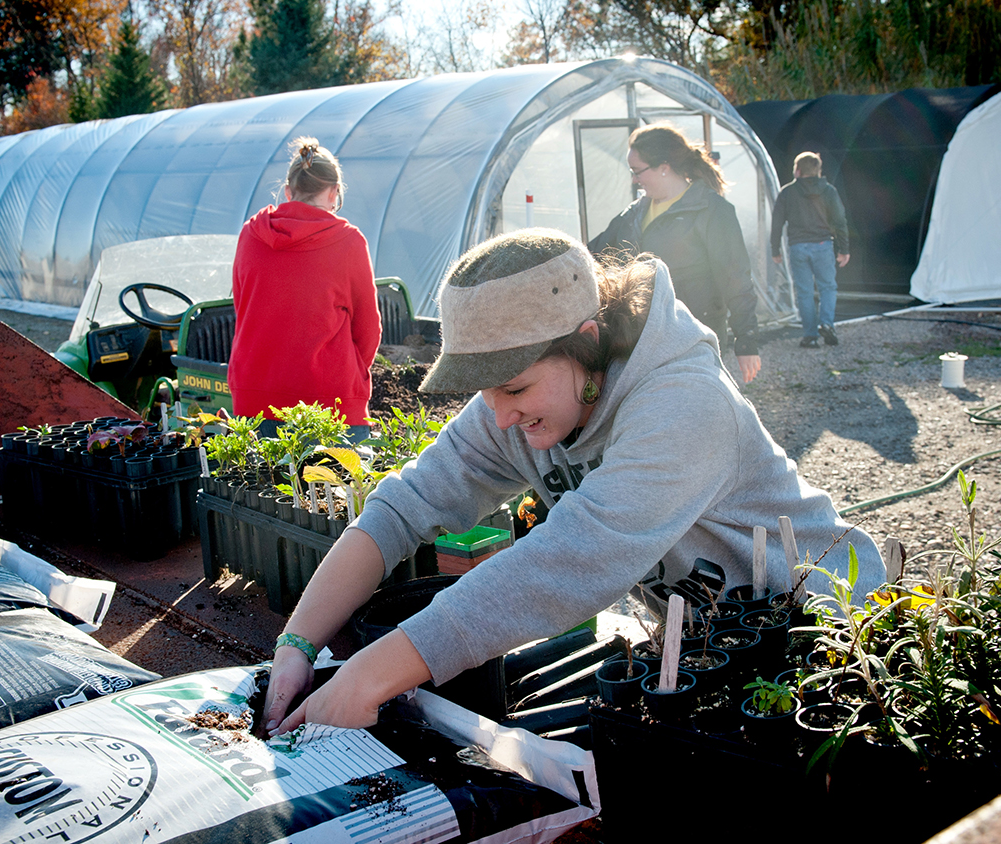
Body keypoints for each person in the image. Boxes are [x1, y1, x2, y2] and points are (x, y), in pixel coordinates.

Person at [259, 228, 884, 735]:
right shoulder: (520, 403)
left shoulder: (684, 404)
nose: (499, 416)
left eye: (514, 388)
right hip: (705, 639)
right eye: (487, 391)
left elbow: (570, 562)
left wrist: (371, 674)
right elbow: (404, 506)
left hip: (826, 631)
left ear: (585, 341)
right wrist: (297, 643)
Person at [228, 138, 381, 439]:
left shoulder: (251, 234)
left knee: (260, 487)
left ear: (288, 191)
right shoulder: (348, 242)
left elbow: (243, 308)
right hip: (329, 403)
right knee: (338, 486)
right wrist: (345, 373)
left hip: (255, 398)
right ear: (334, 192)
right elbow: (368, 329)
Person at [589, 123, 762, 385]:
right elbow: (593, 254)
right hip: (641, 340)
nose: (634, 179)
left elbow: (735, 276)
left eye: (637, 171)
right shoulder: (634, 213)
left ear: (664, 168)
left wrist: (746, 341)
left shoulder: (711, 210)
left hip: (692, 337)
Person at [769, 152, 849, 348]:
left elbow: (777, 222)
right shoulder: (829, 191)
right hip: (823, 245)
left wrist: (775, 249)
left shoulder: (787, 192)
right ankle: (827, 324)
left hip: (797, 247)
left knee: (804, 292)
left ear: (797, 170)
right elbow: (840, 221)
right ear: (818, 171)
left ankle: (810, 336)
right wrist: (844, 249)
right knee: (828, 287)